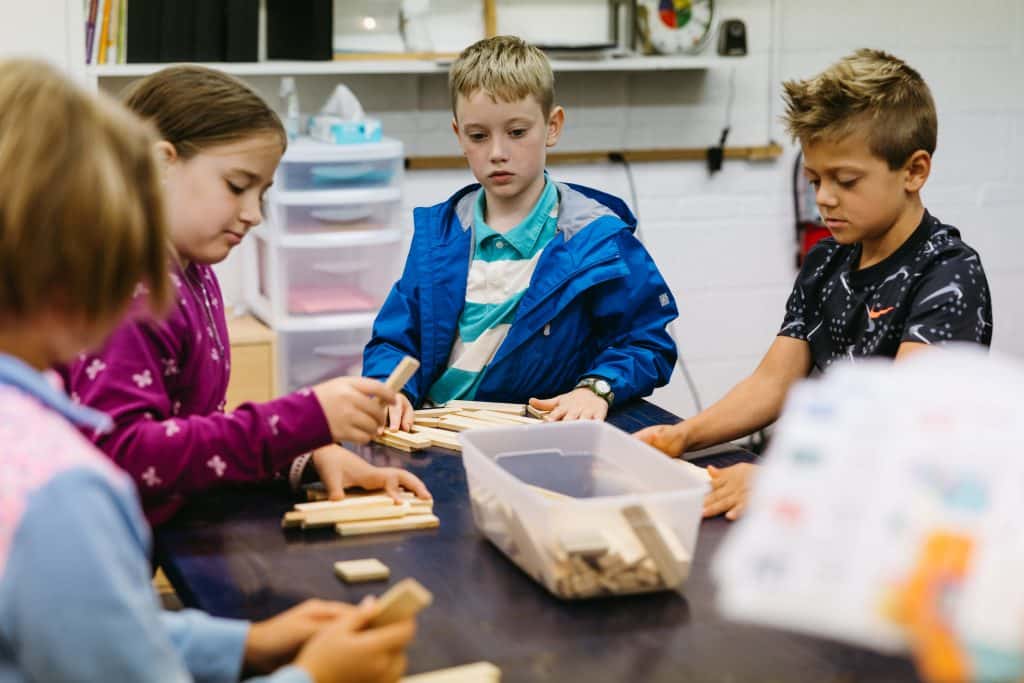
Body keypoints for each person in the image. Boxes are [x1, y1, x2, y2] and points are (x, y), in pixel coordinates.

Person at [0, 58, 414, 683]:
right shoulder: (62, 494)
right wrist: (316, 677)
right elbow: (125, 459)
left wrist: (240, 644)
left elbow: (91, 628)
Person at [61, 65, 429, 526]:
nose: (254, 214)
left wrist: (305, 457)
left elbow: (192, 427)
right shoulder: (131, 287)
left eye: (263, 193)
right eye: (237, 186)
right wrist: (304, 419)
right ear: (159, 163)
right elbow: (127, 455)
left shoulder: (193, 272)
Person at [636, 49, 992, 520]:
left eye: (846, 180)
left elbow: (902, 424)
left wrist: (781, 478)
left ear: (914, 171)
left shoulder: (948, 275)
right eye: (814, 179)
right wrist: (682, 436)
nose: (824, 198)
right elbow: (774, 381)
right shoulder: (827, 260)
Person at [363, 35, 679, 428]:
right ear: (459, 135)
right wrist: (390, 389)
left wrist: (596, 388)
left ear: (552, 126)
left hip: (535, 438)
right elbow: (395, 339)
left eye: (516, 132)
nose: (497, 152)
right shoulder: (438, 237)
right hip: (435, 431)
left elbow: (646, 341)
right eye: (479, 136)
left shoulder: (598, 240)